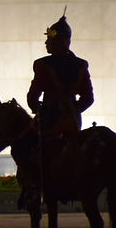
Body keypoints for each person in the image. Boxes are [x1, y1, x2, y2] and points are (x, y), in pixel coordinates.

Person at [26, 12, 93, 140]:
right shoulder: (81, 65)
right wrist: (72, 111)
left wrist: (40, 110)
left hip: (48, 120)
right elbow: (88, 98)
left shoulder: (42, 65)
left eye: (50, 40)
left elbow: (33, 96)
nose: (46, 43)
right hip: (72, 122)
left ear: (59, 42)